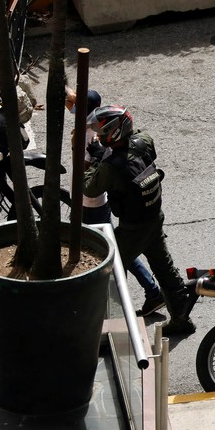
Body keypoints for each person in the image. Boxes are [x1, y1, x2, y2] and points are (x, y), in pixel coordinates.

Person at [83, 105, 196, 335]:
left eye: (103, 131)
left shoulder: (110, 167)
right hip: (153, 216)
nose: (99, 135)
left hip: (133, 228)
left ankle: (114, 329)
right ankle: (182, 319)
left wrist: (95, 159)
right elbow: (135, 141)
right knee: (163, 267)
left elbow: (89, 188)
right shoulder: (145, 141)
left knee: (112, 272)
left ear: (113, 133)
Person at [66, 88, 164, 317]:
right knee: (116, 251)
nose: (72, 109)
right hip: (92, 201)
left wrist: (76, 148)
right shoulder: (97, 127)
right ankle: (152, 292)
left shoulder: (90, 135)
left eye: (76, 107)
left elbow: (89, 175)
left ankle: (143, 294)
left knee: (112, 255)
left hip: (91, 203)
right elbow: (70, 101)